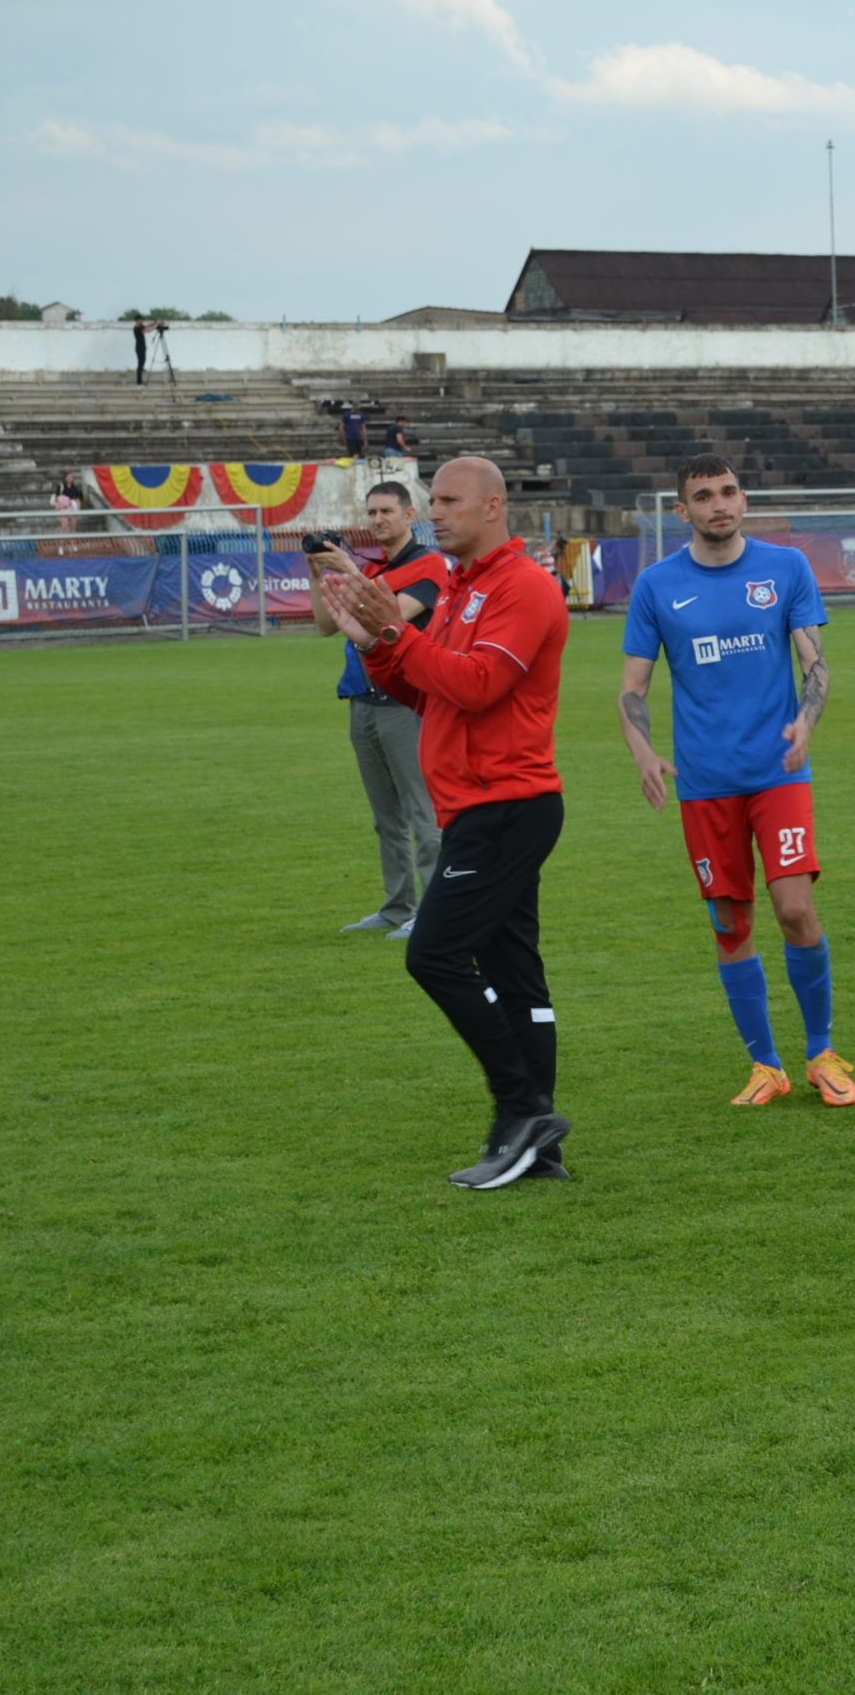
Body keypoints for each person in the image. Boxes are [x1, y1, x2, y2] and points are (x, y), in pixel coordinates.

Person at [320, 457, 572, 1190]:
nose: (435, 512)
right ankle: (536, 1149)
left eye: (449, 501)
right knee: (515, 976)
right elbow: (434, 695)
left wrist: (395, 637)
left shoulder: (523, 585)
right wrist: (375, 644)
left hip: (506, 804)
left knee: (432, 954)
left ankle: (522, 1110)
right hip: (480, 804)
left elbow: (480, 685)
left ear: (493, 506)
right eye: (433, 501)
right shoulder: (462, 586)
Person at [617, 454, 855, 1109]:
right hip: (705, 782)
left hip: (778, 772)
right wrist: (642, 751)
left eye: (727, 492)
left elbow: (815, 663)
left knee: (795, 909)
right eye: (703, 496)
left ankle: (821, 1052)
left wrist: (806, 721)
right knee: (730, 924)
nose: (718, 504)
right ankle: (765, 1066)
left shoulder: (787, 568)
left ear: (743, 499)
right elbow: (633, 687)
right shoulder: (657, 586)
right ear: (682, 510)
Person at [308, 481, 447, 939]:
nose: (377, 520)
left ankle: (432, 912)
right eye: (371, 512)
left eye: (386, 510)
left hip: (406, 703)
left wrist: (349, 570)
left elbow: (386, 619)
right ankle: (397, 906)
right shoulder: (373, 569)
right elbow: (325, 625)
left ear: (410, 516)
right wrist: (317, 573)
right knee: (385, 818)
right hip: (363, 701)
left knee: (423, 814)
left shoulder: (428, 564)